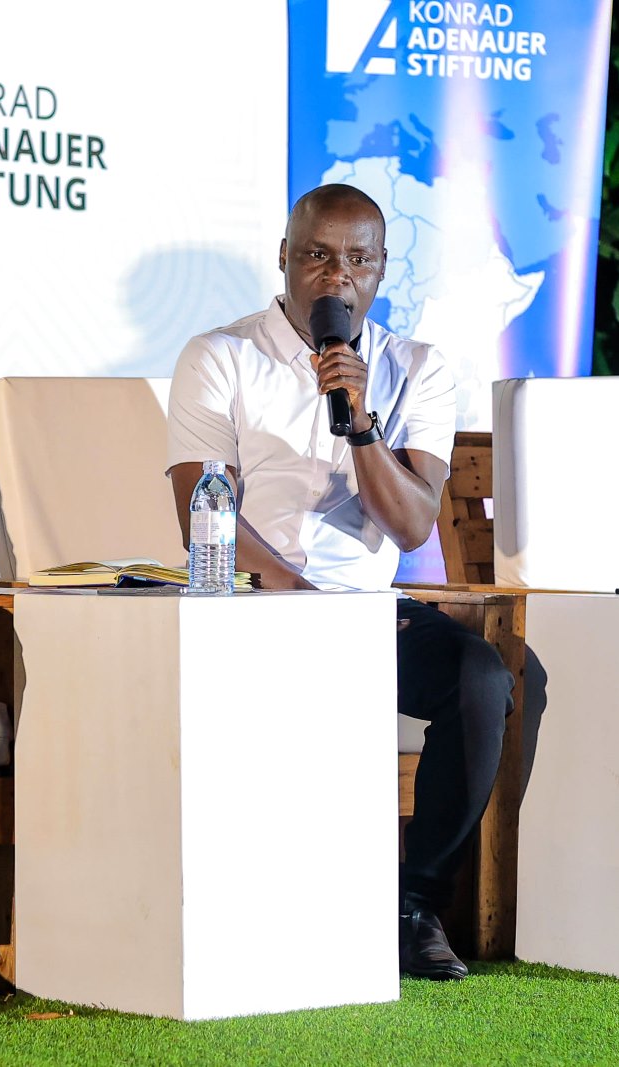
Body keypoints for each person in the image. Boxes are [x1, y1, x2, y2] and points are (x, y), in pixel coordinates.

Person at [165, 183, 546, 981]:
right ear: (284, 257)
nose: (338, 276)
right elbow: (205, 515)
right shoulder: (220, 355)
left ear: (381, 271)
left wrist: (361, 419)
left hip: (369, 614)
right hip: (255, 610)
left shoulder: (416, 369)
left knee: (489, 679)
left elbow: (411, 525)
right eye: (318, 255)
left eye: (359, 260)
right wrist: (302, 607)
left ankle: (412, 904)